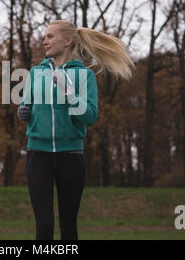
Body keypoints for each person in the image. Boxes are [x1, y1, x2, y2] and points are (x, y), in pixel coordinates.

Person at [18, 20, 134, 240]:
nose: (44, 41)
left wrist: (69, 92)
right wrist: (23, 112)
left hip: (70, 156)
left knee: (68, 226)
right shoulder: (36, 72)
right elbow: (27, 104)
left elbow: (89, 116)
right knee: (44, 224)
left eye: (50, 36)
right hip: (37, 155)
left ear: (68, 40)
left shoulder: (85, 76)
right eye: (44, 37)